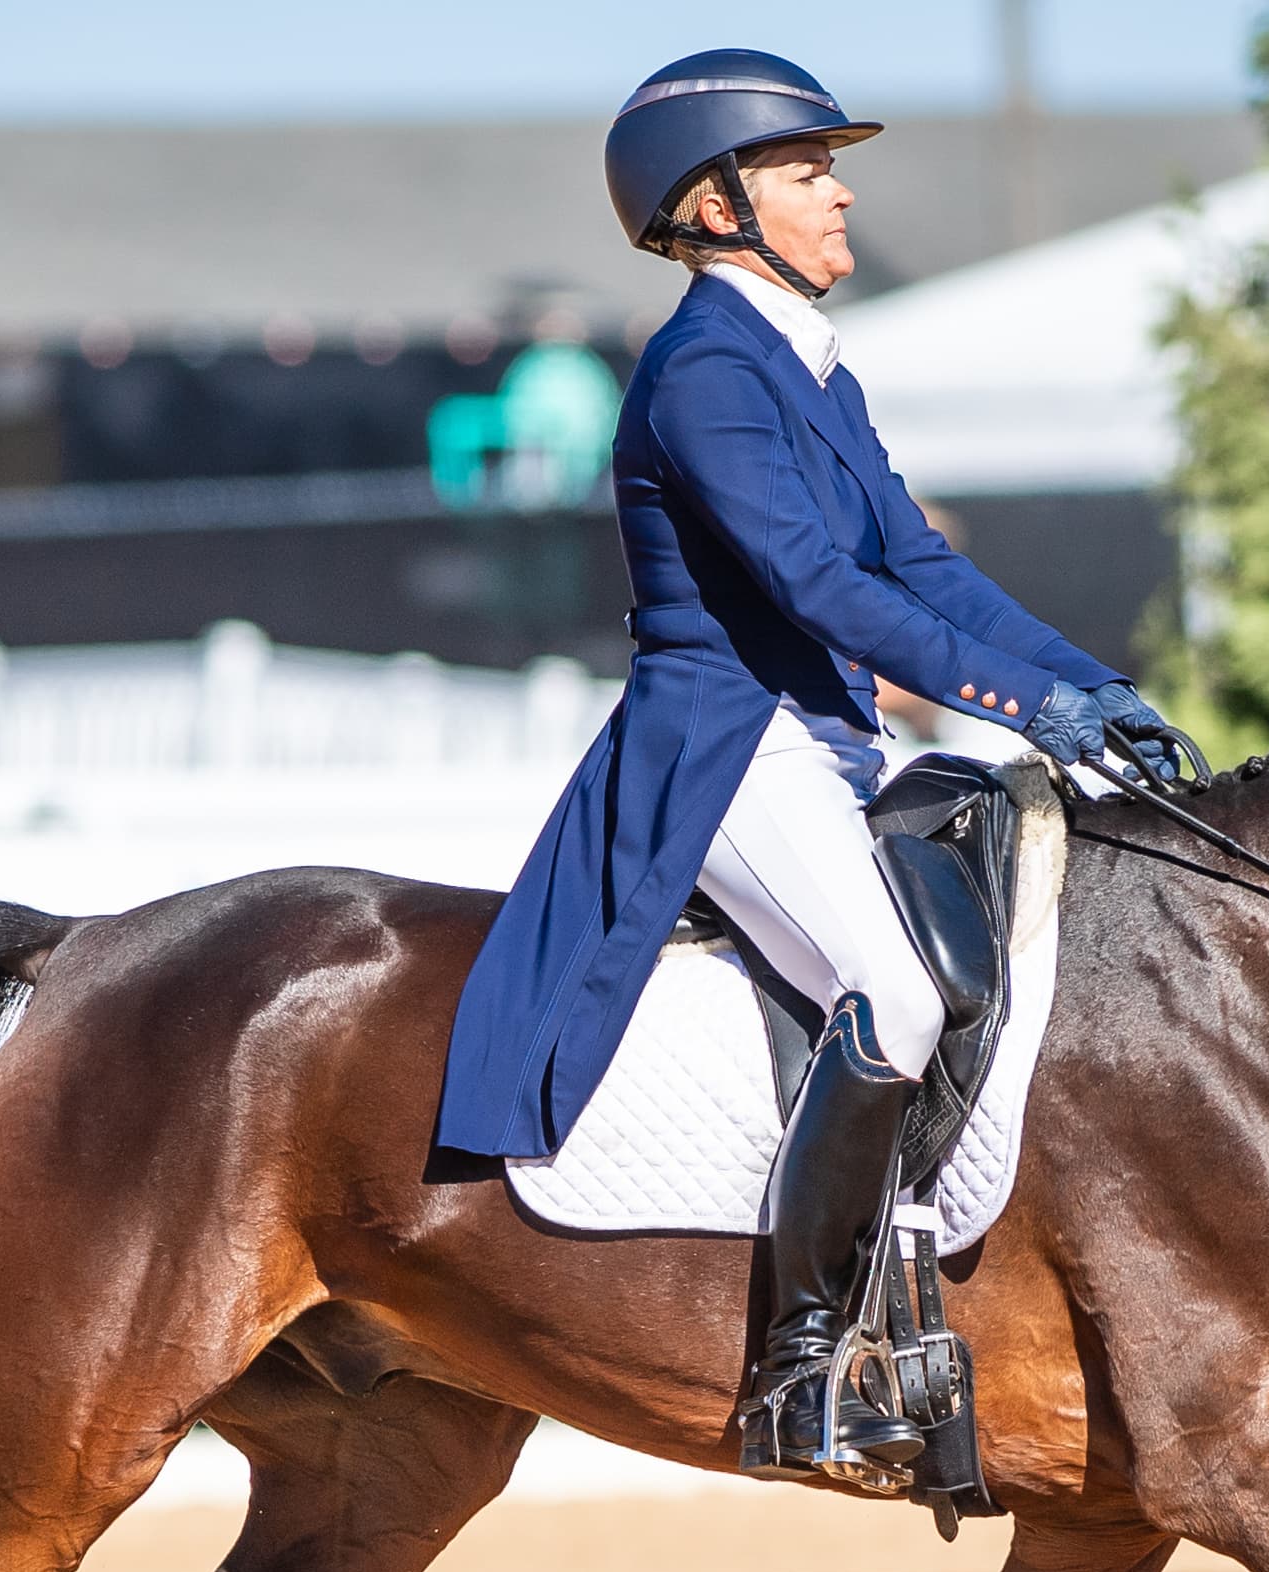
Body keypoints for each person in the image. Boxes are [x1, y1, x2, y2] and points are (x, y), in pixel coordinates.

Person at [434, 49, 1178, 1479]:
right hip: (722, 747)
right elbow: (817, 588)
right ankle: (801, 1363)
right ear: (716, 205)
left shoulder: (804, 365)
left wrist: (1089, 684)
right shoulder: (706, 371)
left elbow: (913, 561)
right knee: (890, 991)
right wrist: (1026, 707)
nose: (839, 196)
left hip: (826, 739)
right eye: (806, 171)